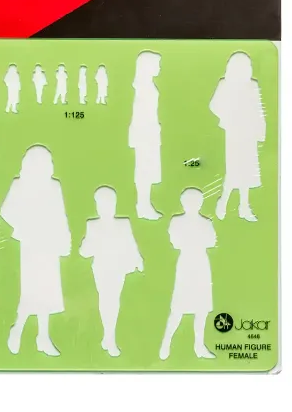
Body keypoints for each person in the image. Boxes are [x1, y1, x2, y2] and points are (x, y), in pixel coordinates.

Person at [1, 146, 71, 356]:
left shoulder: (54, 186)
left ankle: (42, 337)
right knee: (32, 291)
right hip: (31, 244)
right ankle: (18, 330)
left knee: (47, 290)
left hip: (50, 244)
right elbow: (6, 211)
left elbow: (60, 215)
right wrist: (25, 225)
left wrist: (65, 238)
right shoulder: (20, 185)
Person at [80, 187, 143, 357]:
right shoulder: (93, 226)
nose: (107, 208)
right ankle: (109, 338)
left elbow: (131, 244)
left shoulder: (123, 224)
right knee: (107, 300)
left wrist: (138, 260)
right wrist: (86, 243)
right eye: (103, 204)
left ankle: (108, 337)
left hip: (118, 267)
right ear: (98, 206)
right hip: (101, 268)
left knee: (113, 300)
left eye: (110, 203)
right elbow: (85, 252)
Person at [159, 188, 216, 360]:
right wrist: (195, 241)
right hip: (186, 264)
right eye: (189, 202)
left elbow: (212, 241)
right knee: (178, 308)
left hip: (201, 264)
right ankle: (166, 343)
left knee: (202, 309)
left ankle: (199, 346)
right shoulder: (176, 221)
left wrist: (192, 241)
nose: (192, 205)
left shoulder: (206, 222)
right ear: (184, 203)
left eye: (196, 201)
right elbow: (175, 242)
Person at [209, 52, 266, 222]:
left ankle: (244, 207)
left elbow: (258, 109)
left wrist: (261, 130)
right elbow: (214, 105)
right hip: (234, 133)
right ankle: (223, 202)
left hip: (249, 133)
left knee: (247, 169)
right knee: (234, 169)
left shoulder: (252, 86)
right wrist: (228, 117)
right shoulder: (225, 85)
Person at [129, 51, 162, 220]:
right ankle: (142, 205)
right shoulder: (143, 88)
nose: (159, 67)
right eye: (157, 64)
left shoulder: (147, 86)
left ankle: (144, 204)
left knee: (147, 170)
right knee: (144, 170)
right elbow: (139, 113)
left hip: (149, 132)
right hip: (145, 133)